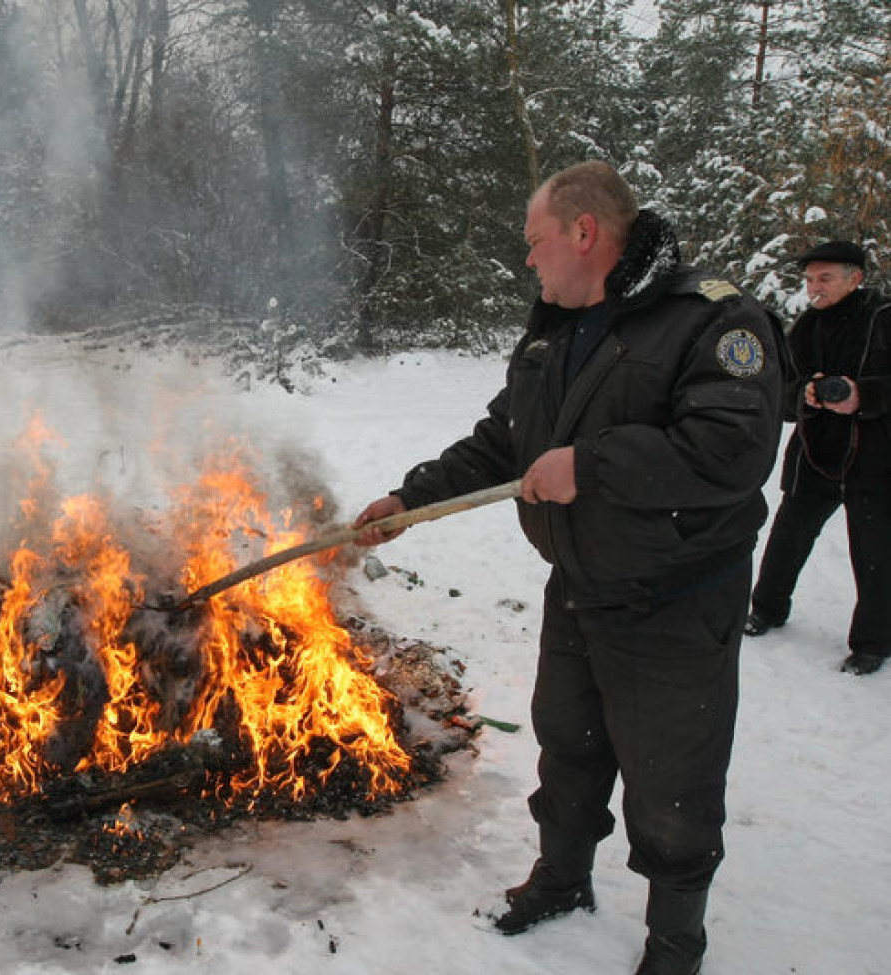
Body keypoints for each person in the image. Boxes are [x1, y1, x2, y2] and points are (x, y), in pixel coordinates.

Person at [353, 161, 784, 975]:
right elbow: (504, 439)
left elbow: (733, 450)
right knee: (570, 746)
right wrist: (407, 498)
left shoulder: (711, 321)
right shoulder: (556, 324)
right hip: (580, 586)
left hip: (677, 597)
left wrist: (592, 464)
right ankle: (561, 878)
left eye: (534, 240)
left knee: (674, 780)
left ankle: (674, 942)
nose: (528, 260)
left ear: (584, 233)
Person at [742, 241, 891, 675]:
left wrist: (864, 396)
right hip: (815, 454)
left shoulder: (884, 320)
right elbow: (781, 394)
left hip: (874, 459)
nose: (813, 288)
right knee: (787, 536)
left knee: (876, 553)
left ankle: (872, 643)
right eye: (809, 280)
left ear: (855, 278)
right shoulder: (805, 328)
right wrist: (806, 394)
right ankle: (766, 609)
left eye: (824, 278)